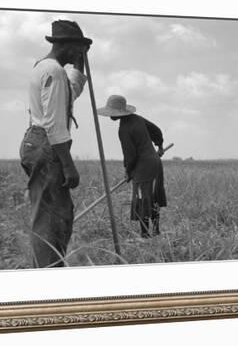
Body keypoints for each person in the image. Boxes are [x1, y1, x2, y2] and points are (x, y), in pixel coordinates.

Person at [19, 20, 92, 267]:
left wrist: (81, 59)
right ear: (64, 45)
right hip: (47, 144)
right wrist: (69, 166)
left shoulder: (45, 67)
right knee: (52, 219)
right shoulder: (54, 71)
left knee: (52, 215)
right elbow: (53, 124)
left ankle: (48, 267)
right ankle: (49, 275)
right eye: (76, 47)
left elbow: (72, 88)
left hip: (36, 141)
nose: (77, 53)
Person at [97, 95, 167, 238]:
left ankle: (145, 235)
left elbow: (130, 156)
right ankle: (156, 231)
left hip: (144, 168)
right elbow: (156, 130)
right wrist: (159, 146)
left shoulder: (124, 129)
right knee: (153, 197)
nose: (110, 116)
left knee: (142, 199)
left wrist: (128, 171)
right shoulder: (138, 119)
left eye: (112, 112)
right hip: (155, 163)